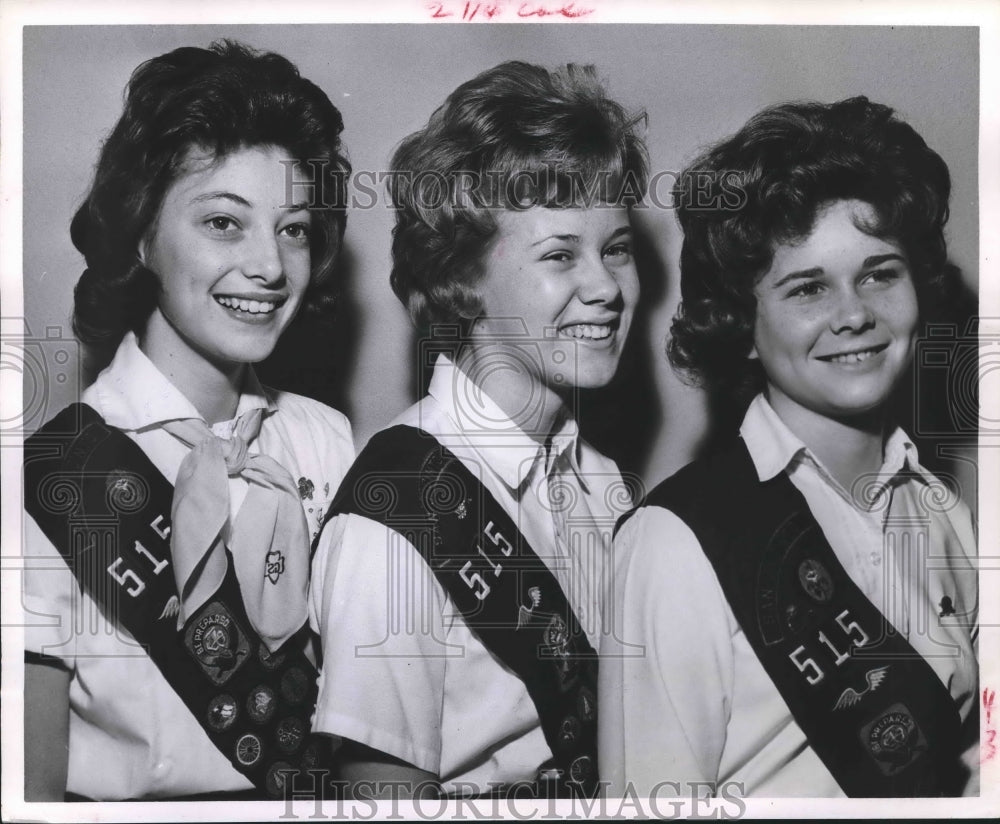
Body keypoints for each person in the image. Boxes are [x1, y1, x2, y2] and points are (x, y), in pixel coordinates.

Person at [599, 96, 979, 798]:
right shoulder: (674, 543)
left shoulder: (945, 515)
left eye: (879, 272)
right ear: (742, 324)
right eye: (808, 289)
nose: (855, 313)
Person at [22, 41, 354, 801]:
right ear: (141, 235)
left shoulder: (327, 443)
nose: (271, 267)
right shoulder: (43, 481)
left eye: (294, 228)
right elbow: (28, 797)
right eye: (224, 223)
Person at [309, 61, 648, 799]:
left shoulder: (606, 484)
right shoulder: (390, 516)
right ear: (463, 277)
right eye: (560, 254)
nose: (606, 287)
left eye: (616, 248)